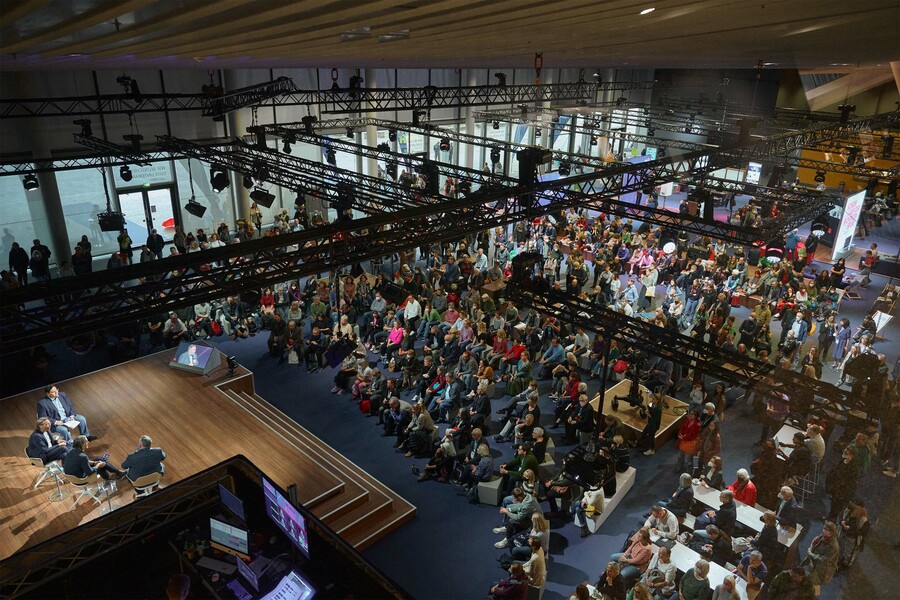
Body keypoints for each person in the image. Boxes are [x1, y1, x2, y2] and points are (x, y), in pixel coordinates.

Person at [801, 521, 840, 595]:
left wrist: (811, 554)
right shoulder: (824, 537)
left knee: (815, 582)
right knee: (811, 577)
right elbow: (817, 542)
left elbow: (824, 559)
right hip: (814, 562)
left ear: (832, 532)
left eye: (826, 530)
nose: (823, 531)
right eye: (824, 529)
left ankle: (813, 595)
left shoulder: (834, 546)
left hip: (822, 568)